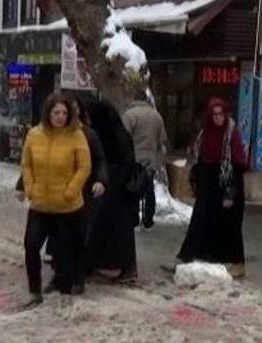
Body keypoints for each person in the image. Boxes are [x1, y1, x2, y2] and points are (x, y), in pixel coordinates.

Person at [20, 94, 91, 308]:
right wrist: (30, 187)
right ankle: (34, 292)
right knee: (31, 246)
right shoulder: (34, 135)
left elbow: (84, 166)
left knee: (64, 250)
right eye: (56, 113)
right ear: (47, 113)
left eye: (64, 113)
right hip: (40, 204)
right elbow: (26, 164)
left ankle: (65, 292)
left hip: (67, 206)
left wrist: (71, 189)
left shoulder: (76, 135)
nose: (60, 117)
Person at [170, 97, 247, 278]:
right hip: (209, 180)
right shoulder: (205, 132)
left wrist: (229, 191)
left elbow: (238, 162)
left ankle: (237, 262)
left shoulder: (231, 132)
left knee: (230, 222)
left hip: (228, 177)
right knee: (201, 219)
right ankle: (187, 257)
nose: (218, 118)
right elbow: (200, 156)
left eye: (221, 114)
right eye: (215, 114)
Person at [84, 98, 140, 283]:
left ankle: (123, 268)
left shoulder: (114, 134)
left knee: (116, 230)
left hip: (116, 191)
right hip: (111, 189)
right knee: (105, 229)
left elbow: (124, 162)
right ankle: (102, 263)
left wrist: (111, 180)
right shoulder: (113, 131)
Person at [122, 93, 168, 229]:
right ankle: (148, 219)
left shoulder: (130, 115)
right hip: (150, 159)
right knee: (148, 188)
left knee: (133, 187)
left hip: (133, 158)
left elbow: (124, 137)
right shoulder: (157, 116)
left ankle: (134, 218)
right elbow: (162, 140)